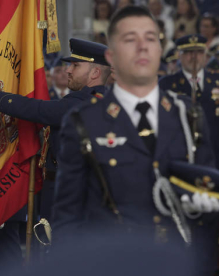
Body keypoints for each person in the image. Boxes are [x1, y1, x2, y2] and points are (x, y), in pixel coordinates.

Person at [52, 6, 217, 275]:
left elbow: (206, 216)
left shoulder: (188, 117)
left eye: (151, 38)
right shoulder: (84, 122)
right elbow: (67, 220)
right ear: (111, 56)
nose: (142, 47)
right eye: (130, 39)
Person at [0, 38, 111, 275]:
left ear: (95, 73)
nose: (67, 70)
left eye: (75, 66)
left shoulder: (92, 101)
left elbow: (40, 111)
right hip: (57, 190)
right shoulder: (84, 99)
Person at [159, 34, 219, 169]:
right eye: (188, 52)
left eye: (199, 52)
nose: (194, 57)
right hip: (182, 155)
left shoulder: (217, 81)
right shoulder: (167, 84)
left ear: (205, 55)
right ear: (179, 56)